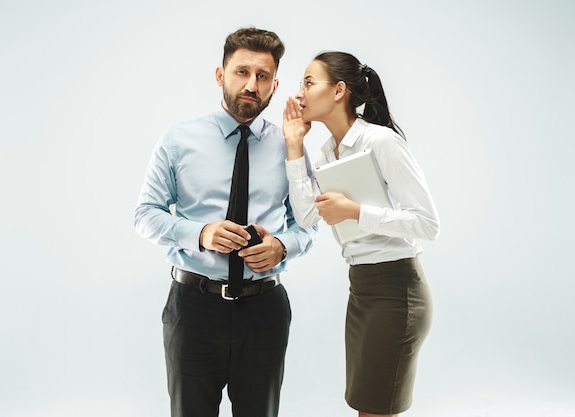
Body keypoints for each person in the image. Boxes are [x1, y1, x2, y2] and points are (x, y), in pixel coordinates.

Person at [134, 27, 317, 417]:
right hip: (194, 309)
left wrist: (282, 245)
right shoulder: (178, 140)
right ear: (220, 75)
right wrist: (200, 233)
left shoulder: (290, 144)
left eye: (262, 76)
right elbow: (145, 214)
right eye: (241, 72)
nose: (251, 85)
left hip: (264, 309)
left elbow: (309, 222)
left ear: (274, 85)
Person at [282, 51, 440, 417]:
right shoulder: (325, 153)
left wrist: (355, 212)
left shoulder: (381, 142)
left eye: (308, 82)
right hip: (362, 290)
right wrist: (294, 147)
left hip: (397, 290)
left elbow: (427, 223)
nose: (299, 94)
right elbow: (306, 216)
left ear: (339, 91)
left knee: (375, 408)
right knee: (366, 406)